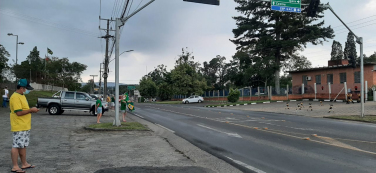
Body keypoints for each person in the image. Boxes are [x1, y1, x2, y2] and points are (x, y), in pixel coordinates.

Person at [10, 79, 39, 173]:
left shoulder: (21, 95)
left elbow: (24, 109)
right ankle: (15, 166)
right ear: (22, 88)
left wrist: (31, 110)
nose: (27, 90)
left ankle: (24, 163)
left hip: (25, 125)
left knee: (23, 145)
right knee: (16, 146)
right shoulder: (15, 97)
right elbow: (18, 113)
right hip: (19, 126)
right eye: (26, 88)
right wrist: (31, 110)